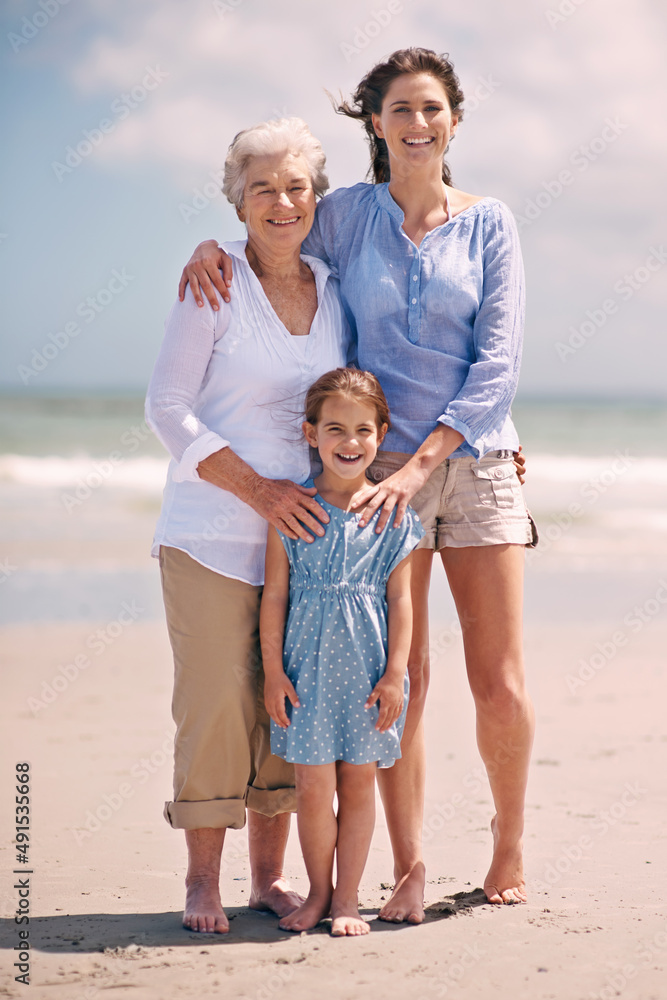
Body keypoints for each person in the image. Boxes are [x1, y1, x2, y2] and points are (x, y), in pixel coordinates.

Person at [178, 47, 536, 920]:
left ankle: (508, 842)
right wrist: (214, 246)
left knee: (498, 682)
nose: (417, 123)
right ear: (374, 124)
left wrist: (424, 464)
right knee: (401, 673)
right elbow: (277, 217)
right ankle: (408, 871)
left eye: (431, 108)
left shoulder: (491, 223)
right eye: (400, 110)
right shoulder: (348, 217)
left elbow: (498, 365)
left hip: (473, 465)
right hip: (374, 480)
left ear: (454, 120)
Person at [145, 117, 353, 933]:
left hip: (303, 545)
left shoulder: (336, 284)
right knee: (214, 706)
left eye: (295, 186)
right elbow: (166, 408)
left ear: (315, 198)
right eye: (261, 186)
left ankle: (267, 879)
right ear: (237, 201)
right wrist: (259, 491)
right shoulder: (214, 281)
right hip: (209, 533)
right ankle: (202, 880)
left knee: (284, 707)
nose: (280, 200)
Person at [261, 368, 424, 936]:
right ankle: (317, 895)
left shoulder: (394, 516)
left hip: (367, 678)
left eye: (362, 430)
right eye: (335, 429)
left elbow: (401, 601)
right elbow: (275, 596)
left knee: (358, 784)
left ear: (381, 435)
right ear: (311, 434)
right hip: (305, 678)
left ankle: (350, 899)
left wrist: (395, 675)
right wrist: (274, 672)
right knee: (312, 788)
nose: (349, 442)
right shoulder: (291, 513)